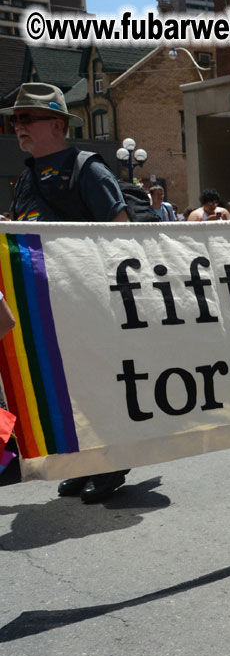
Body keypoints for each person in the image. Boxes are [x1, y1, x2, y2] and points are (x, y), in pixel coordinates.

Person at [1, 82, 130, 503]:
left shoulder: (86, 169)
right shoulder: (26, 178)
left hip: (88, 303)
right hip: (43, 308)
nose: (17, 126)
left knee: (97, 386)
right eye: (15, 119)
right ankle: (80, 461)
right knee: (64, 390)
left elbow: (123, 235)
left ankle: (110, 463)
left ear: (57, 124)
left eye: (27, 118)